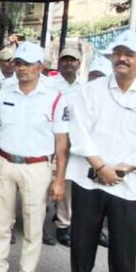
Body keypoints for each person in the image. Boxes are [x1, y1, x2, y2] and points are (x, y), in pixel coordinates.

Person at [0, 42, 69, 272]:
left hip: (37, 167)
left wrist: (59, 179)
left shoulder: (54, 97)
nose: (22, 69)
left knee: (33, 226)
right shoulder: (3, 93)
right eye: (18, 63)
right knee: (1, 221)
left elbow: (62, 143)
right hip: (4, 162)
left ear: (40, 67)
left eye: (28, 64)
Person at [66, 30, 136, 272]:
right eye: (118, 53)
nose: (122, 58)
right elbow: (78, 129)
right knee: (82, 239)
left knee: (124, 245)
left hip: (130, 183)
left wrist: (124, 168)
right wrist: (100, 166)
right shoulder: (92, 90)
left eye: (129, 54)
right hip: (89, 178)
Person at [49, 47, 83, 247]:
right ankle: (39, 222)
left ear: (79, 63)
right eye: (65, 60)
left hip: (74, 139)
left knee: (66, 181)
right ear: (59, 62)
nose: (69, 63)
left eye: (73, 60)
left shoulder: (85, 87)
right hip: (50, 137)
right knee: (45, 179)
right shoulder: (49, 85)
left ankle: (63, 224)